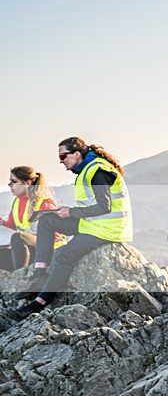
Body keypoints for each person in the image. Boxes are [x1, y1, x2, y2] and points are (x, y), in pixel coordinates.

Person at [3, 137, 132, 322]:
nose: (60, 160)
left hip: (107, 229)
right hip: (92, 223)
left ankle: (39, 303)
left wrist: (71, 212)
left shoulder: (97, 171)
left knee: (63, 255)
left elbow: (105, 206)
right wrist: (65, 212)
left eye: (63, 156)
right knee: (47, 220)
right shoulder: (88, 170)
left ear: (77, 154)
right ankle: (39, 275)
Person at [0, 167, 65, 272]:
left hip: (50, 249)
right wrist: (2, 222)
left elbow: (55, 234)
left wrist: (20, 241)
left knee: (18, 238)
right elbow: (14, 224)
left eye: (14, 181)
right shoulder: (16, 202)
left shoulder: (44, 203)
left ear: (28, 183)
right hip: (30, 247)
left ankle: (20, 277)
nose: (9, 184)